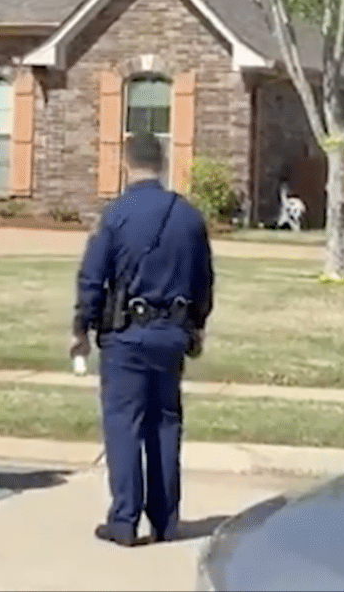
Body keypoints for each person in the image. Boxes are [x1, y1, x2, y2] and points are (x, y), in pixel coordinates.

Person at [70, 131, 214, 547]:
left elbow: (93, 278)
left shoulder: (115, 216)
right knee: (166, 424)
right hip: (172, 333)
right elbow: (204, 279)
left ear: (125, 163)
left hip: (127, 337)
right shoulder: (188, 216)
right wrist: (197, 325)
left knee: (124, 425)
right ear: (164, 162)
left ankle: (125, 520)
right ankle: (166, 521)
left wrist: (82, 327)